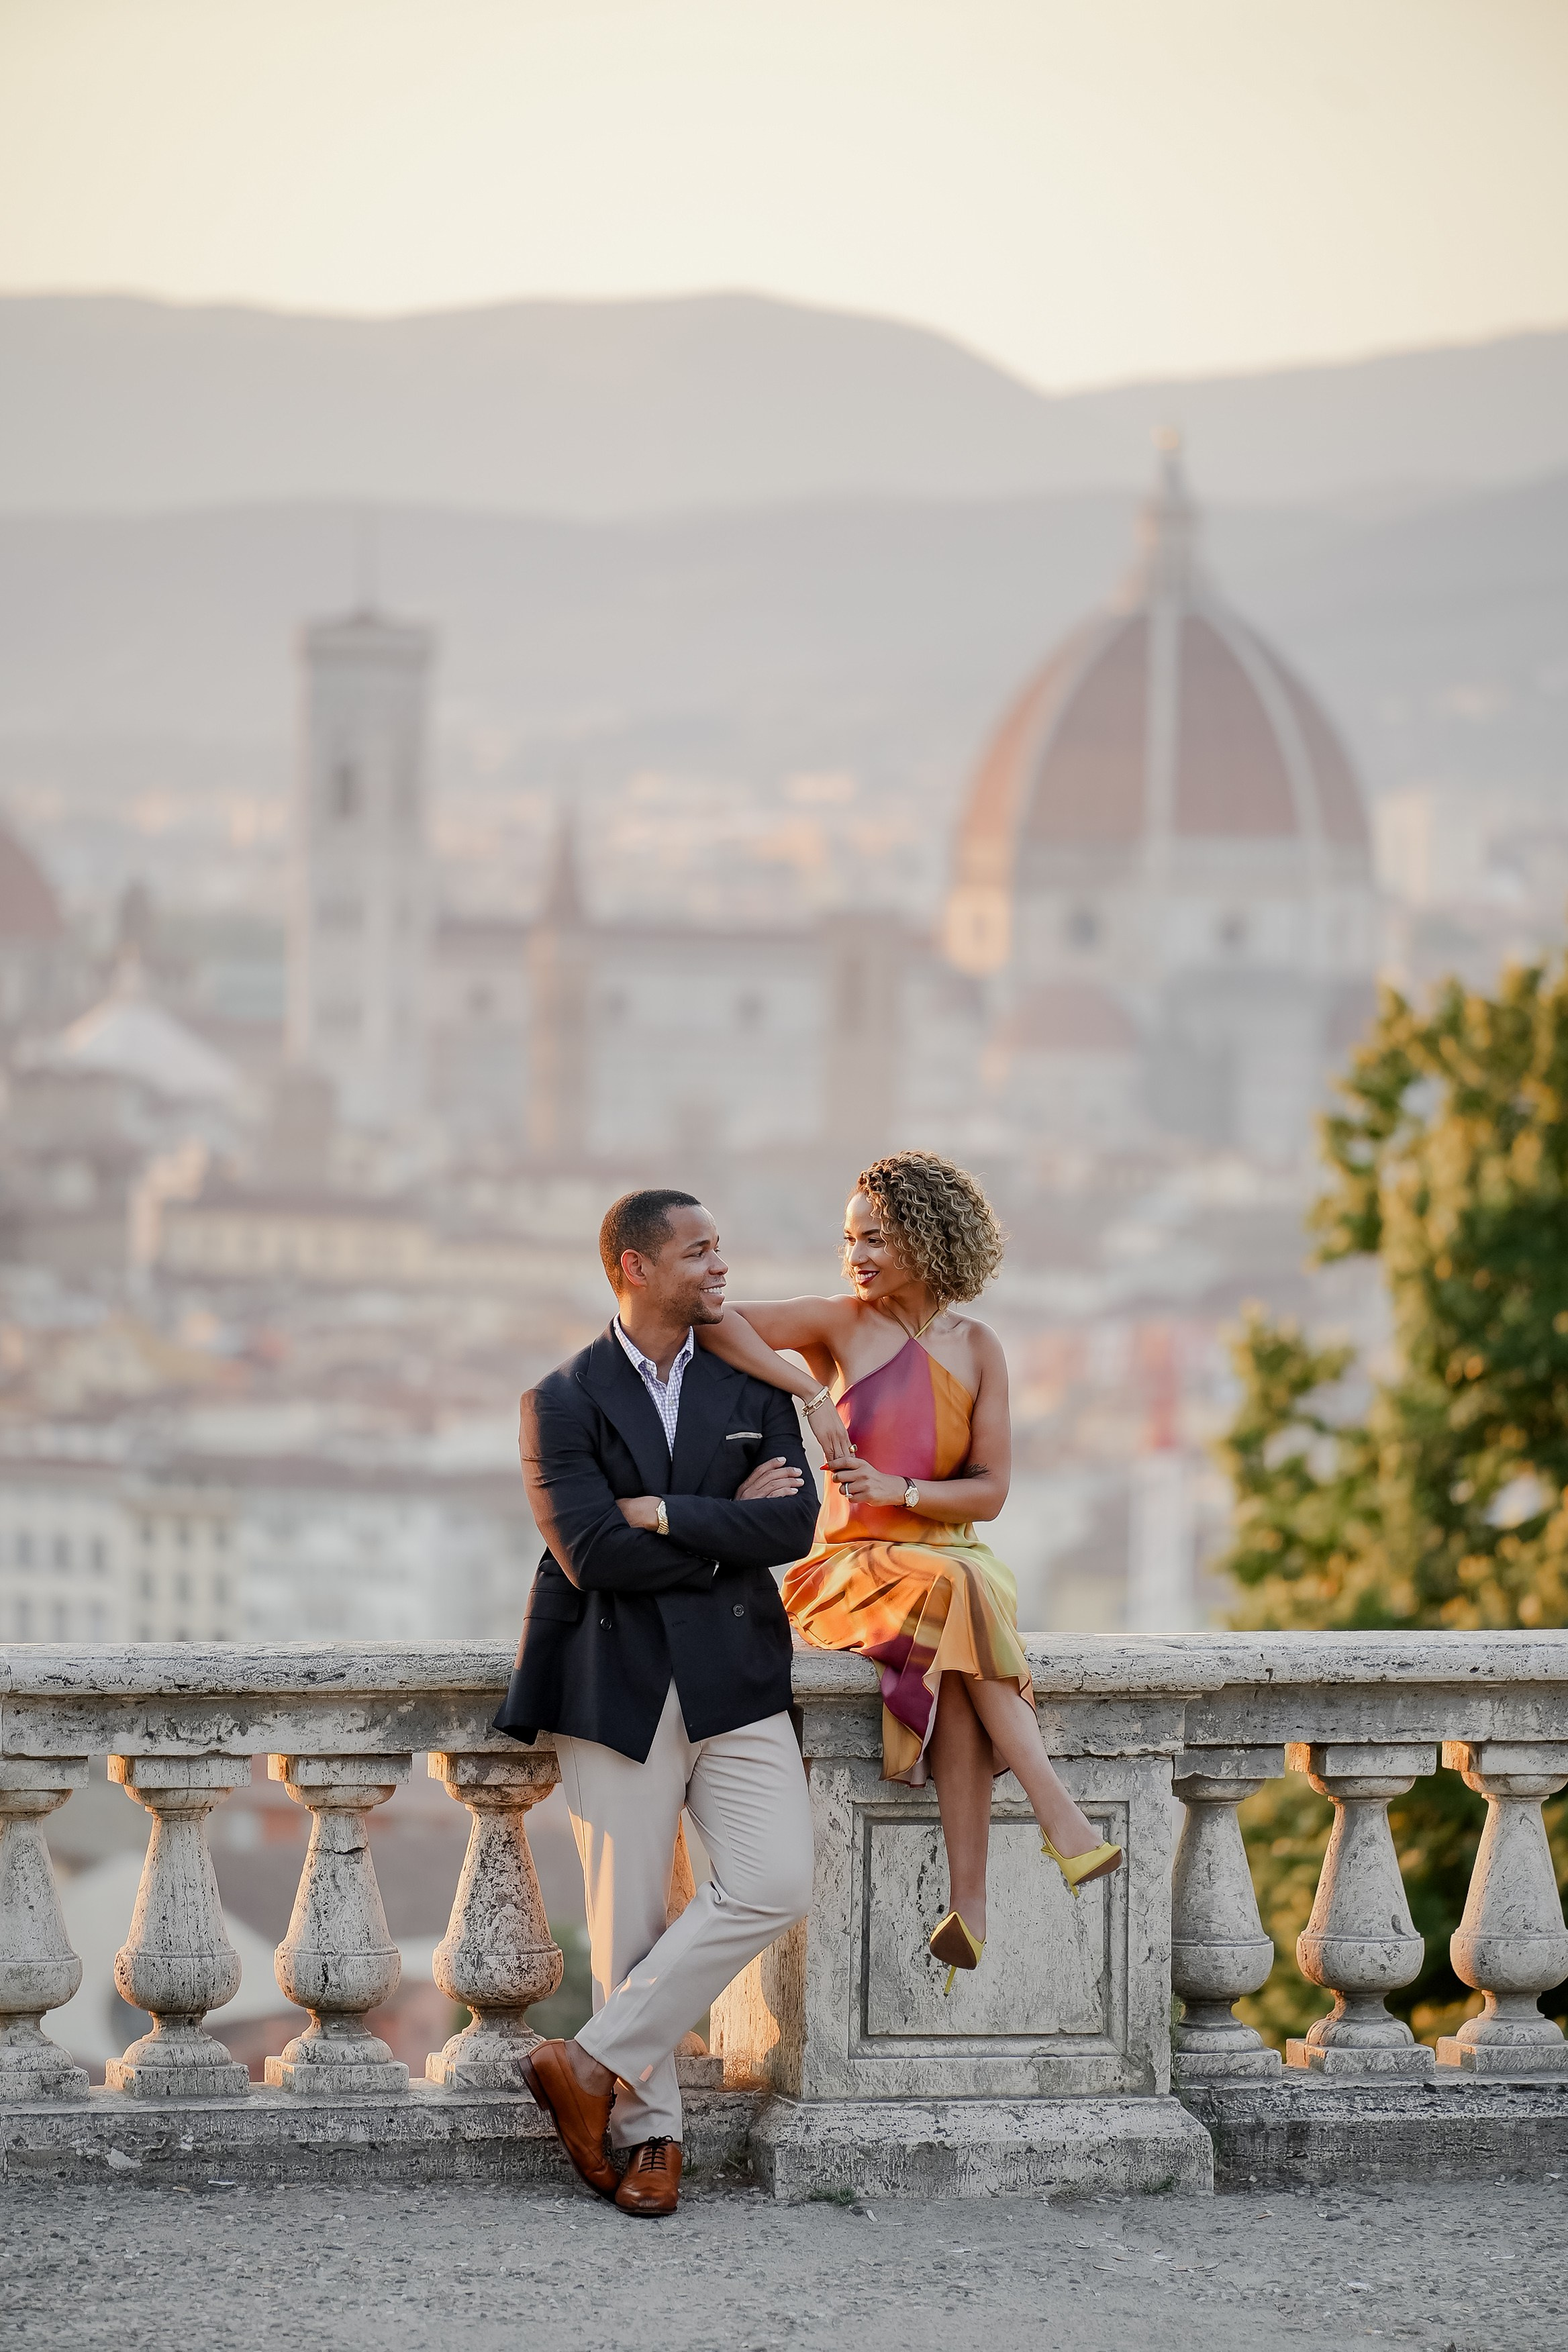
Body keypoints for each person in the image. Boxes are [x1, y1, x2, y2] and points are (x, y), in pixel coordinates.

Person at [697, 1148, 1121, 1994]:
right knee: (960, 1598)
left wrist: (902, 1488)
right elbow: (713, 1321)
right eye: (847, 1239)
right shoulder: (837, 1325)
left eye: (875, 1239)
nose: (854, 1256)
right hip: (847, 1569)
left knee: (960, 1639)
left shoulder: (980, 1347)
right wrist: (809, 1395)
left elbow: (991, 1492)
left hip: (951, 1559)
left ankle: (969, 1905)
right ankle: (1056, 1812)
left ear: (927, 1240)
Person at [494, 1188, 820, 2216]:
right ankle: (651, 2137)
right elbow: (592, 1554)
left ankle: (585, 2063)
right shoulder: (560, 1399)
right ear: (635, 1269)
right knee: (627, 1918)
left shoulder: (749, 1377)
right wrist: (722, 1530)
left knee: (775, 1880)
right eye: (698, 1251)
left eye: (723, 1245)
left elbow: (795, 1528)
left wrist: (670, 1513)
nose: (721, 1266)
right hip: (613, 1680)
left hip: (738, 1679)